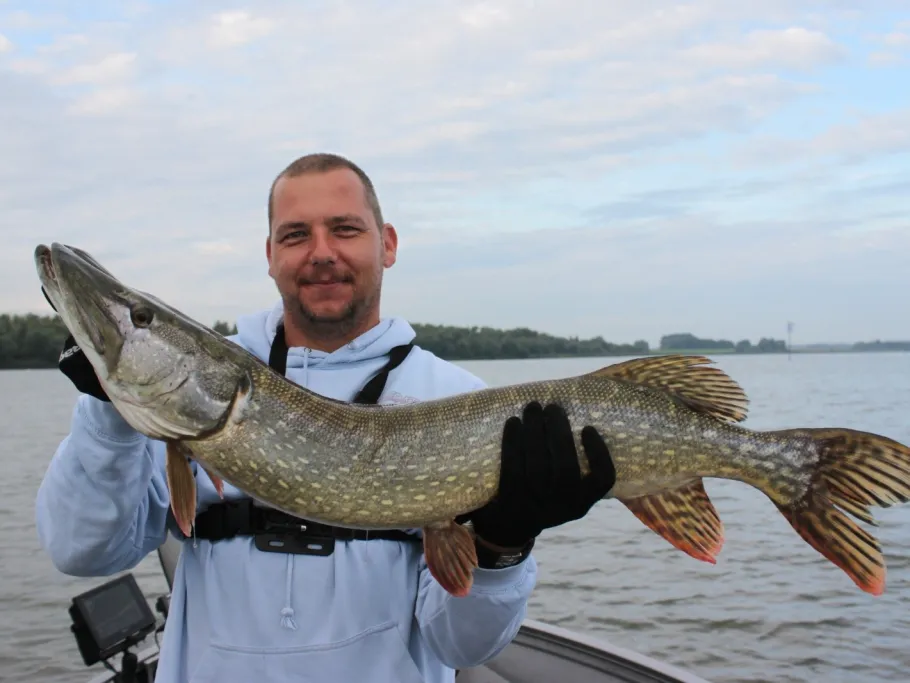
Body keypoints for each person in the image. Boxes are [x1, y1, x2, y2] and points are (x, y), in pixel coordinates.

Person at [35, 153, 616, 683]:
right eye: (295, 235)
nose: (321, 252)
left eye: (344, 229)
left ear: (386, 244)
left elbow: (462, 645)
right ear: (270, 256)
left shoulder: (454, 398)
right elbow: (82, 551)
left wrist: (502, 546)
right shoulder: (182, 409)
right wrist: (107, 408)